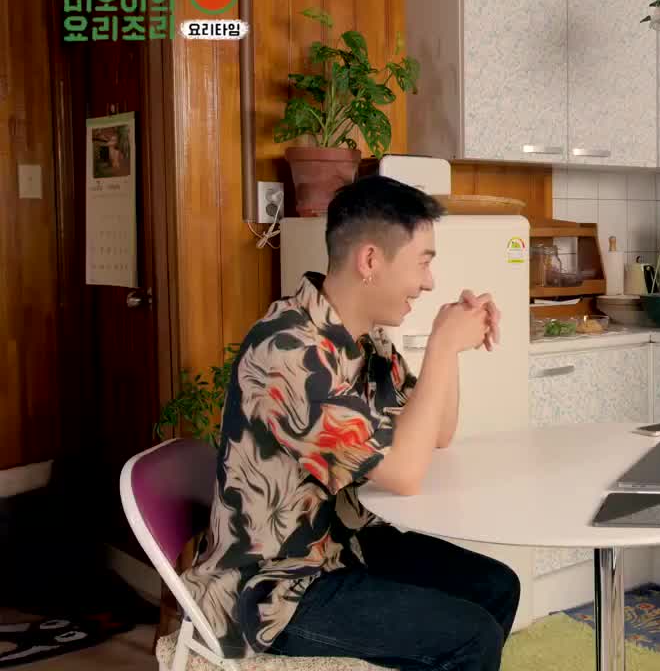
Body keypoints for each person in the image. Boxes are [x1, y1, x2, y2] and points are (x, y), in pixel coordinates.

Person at [181, 175, 518, 671]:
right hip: (277, 587)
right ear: (370, 261)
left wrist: (449, 345)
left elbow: (437, 434)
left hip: (345, 546)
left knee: (496, 585)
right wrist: (443, 345)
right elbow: (404, 473)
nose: (429, 282)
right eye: (423, 262)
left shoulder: (364, 340)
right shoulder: (288, 352)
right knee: (471, 637)